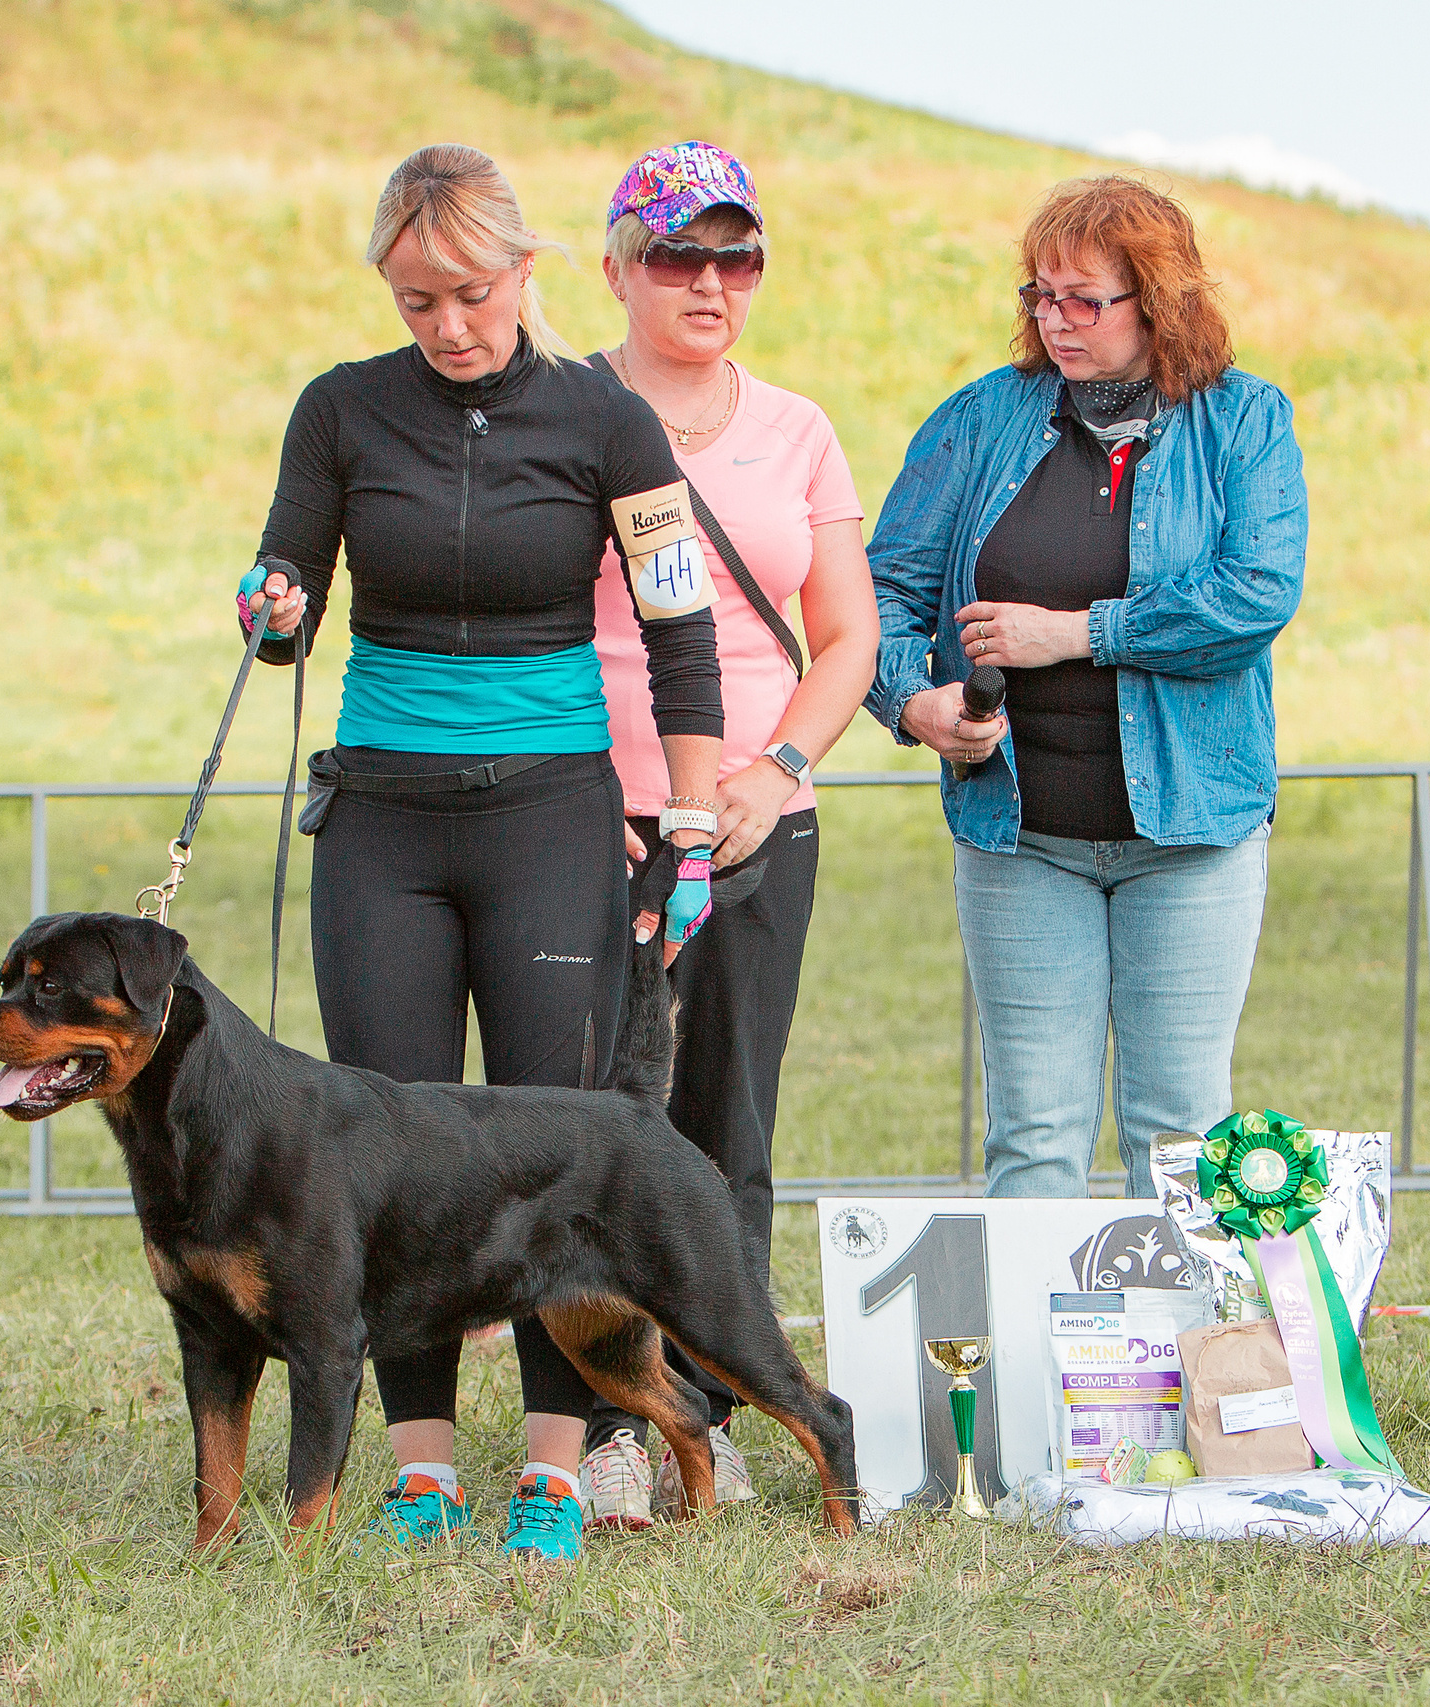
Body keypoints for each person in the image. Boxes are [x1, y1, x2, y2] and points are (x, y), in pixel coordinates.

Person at [241, 143, 726, 1564]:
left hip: (550, 822)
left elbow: (683, 631)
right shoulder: (340, 411)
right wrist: (269, 605)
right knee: (383, 1150)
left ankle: (559, 1475)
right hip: (383, 820)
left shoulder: (608, 422)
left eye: (468, 293)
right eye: (414, 303)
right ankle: (421, 1470)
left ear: (528, 272)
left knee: (559, 1145)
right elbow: (289, 589)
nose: (447, 326)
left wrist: (689, 822)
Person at [861, 175, 1306, 1200]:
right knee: (1033, 1141)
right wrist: (910, 702)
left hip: (1194, 838)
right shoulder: (979, 418)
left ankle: (1191, 1368)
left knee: (1181, 1138)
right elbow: (885, 586)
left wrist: (1072, 634)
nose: (1053, 320)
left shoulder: (1246, 422)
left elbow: (1251, 598)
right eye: (1038, 295)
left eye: (1082, 299)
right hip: (1021, 841)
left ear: (1157, 301)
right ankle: (1025, 1369)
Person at [568, 141, 878, 1531]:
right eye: (678, 255)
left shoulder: (798, 427)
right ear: (618, 264)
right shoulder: (559, 407)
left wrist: (776, 767)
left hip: (754, 824)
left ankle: (714, 1404)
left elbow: (848, 635)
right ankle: (594, 1428)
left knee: (723, 1129)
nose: (709, 281)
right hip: (582, 815)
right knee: (583, 1126)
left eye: (735, 256)